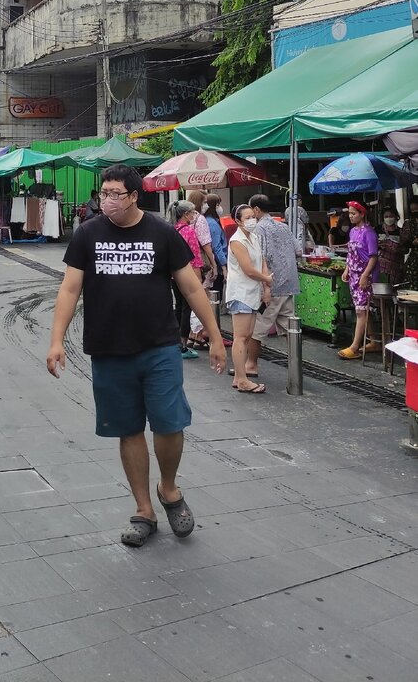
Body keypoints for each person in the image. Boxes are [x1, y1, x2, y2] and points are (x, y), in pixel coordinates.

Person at [47, 165, 226, 549]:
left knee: (169, 425)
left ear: (133, 196)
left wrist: (215, 335)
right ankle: (144, 509)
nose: (107, 199)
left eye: (115, 193)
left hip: (159, 346)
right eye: (104, 193)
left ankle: (169, 488)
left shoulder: (161, 232)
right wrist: (56, 339)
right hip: (109, 349)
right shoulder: (87, 234)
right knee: (127, 429)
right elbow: (69, 289)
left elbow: (191, 287)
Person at [245, 194, 300, 380]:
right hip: (289, 284)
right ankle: (296, 365)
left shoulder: (259, 230)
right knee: (290, 328)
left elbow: (261, 258)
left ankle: (251, 364)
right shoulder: (283, 226)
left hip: (271, 285)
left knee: (257, 329)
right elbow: (298, 250)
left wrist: (264, 286)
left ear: (256, 210)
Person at [226, 204, 273, 394]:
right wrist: (266, 279)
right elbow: (247, 268)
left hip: (252, 292)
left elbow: (261, 261)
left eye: (253, 216)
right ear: (238, 221)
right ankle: (243, 379)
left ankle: (239, 377)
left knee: (247, 337)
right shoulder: (236, 241)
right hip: (240, 293)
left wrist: (265, 286)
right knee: (241, 337)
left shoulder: (254, 237)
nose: (251, 220)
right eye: (247, 217)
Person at [338, 201, 380, 360]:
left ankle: (354, 347)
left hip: (365, 276)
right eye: (349, 213)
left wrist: (364, 276)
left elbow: (373, 257)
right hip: (354, 275)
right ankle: (374, 341)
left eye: (353, 213)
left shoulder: (369, 233)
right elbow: (350, 254)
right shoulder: (353, 231)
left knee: (360, 311)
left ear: (362, 214)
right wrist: (347, 269)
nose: (351, 216)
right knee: (363, 308)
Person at [165, 200, 203, 359]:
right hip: (187, 275)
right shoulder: (189, 231)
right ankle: (183, 343)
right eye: (193, 212)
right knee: (187, 308)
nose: (195, 215)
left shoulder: (171, 230)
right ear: (186, 214)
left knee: (178, 306)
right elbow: (195, 258)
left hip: (173, 275)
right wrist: (198, 278)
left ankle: (174, 341)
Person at [378, 206, 404, 290]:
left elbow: (406, 249)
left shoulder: (401, 232)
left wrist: (395, 248)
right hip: (380, 267)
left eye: (391, 216)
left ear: (396, 217)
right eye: (386, 216)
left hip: (395, 268)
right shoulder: (378, 229)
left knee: (393, 291)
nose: (389, 219)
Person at [400, 195, 418, 290]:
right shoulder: (409, 223)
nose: (415, 212)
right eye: (413, 210)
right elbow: (404, 245)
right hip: (414, 263)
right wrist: (413, 243)